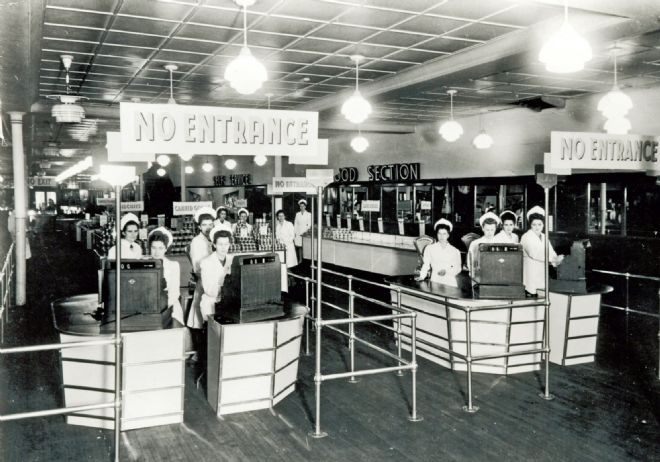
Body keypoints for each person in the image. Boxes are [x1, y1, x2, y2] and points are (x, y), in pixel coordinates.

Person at [520, 206, 564, 296]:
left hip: (542, 272)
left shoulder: (544, 237)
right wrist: (553, 259)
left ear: (543, 225)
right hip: (530, 272)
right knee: (531, 293)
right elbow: (534, 253)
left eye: (539, 224)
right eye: (534, 224)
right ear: (530, 225)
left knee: (542, 294)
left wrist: (556, 259)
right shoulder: (526, 237)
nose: (537, 227)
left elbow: (551, 252)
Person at [187, 206, 215, 330]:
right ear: (199, 227)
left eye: (210, 224)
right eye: (204, 225)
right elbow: (197, 268)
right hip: (204, 282)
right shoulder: (196, 242)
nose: (208, 228)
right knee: (201, 320)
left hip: (214, 284)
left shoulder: (214, 240)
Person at [148, 227, 183, 325]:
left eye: (160, 248)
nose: (156, 252)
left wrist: (161, 309)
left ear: (166, 249)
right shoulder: (143, 264)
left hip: (170, 308)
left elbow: (174, 293)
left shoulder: (173, 265)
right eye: (153, 248)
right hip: (149, 309)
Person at [415, 218, 462, 287]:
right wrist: (422, 276)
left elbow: (458, 268)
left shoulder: (455, 251)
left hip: (450, 282)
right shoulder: (430, 248)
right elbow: (426, 264)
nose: (441, 236)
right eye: (439, 233)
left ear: (448, 235)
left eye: (444, 234)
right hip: (435, 281)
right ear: (436, 234)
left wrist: (446, 271)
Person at [199, 228, 233, 323]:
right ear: (214, 245)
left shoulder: (232, 260)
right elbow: (209, 290)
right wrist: (229, 289)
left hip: (228, 306)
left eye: (226, 244)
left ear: (229, 244)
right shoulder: (206, 262)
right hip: (210, 305)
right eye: (220, 244)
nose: (223, 247)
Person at [467, 211, 501, 278]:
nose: (490, 233)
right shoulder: (475, 243)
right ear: (483, 228)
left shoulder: (500, 243)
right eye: (487, 230)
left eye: (492, 230)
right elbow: (470, 262)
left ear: (495, 229)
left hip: (497, 276)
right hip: (479, 276)